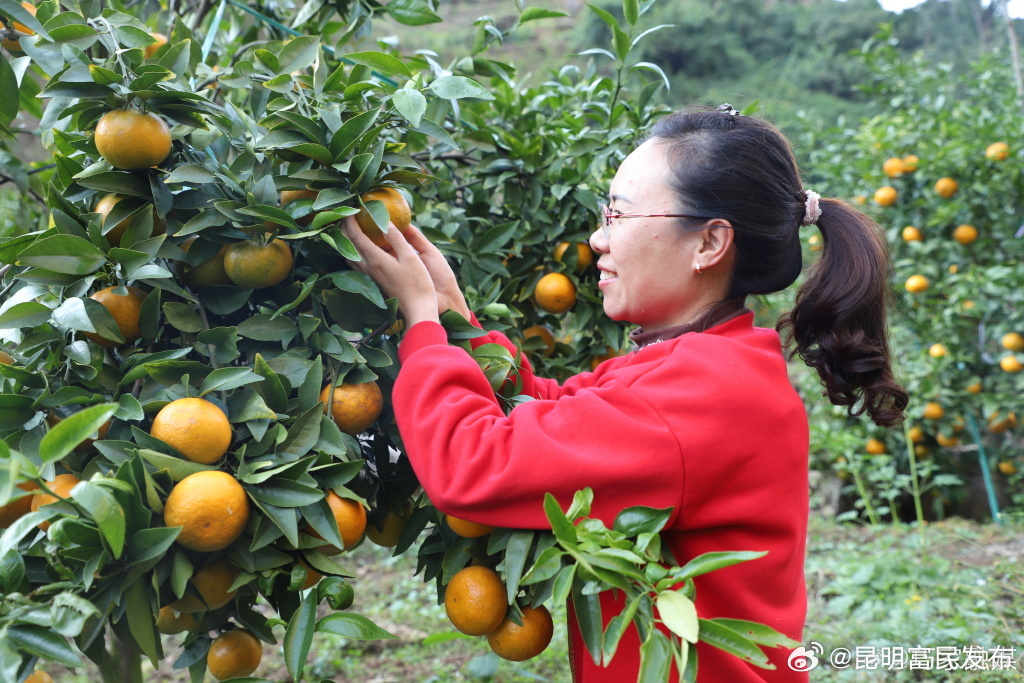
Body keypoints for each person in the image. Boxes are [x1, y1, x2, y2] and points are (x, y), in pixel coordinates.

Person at [340, 104, 908, 682]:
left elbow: (474, 464)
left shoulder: (703, 395)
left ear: (709, 242)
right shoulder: (704, 363)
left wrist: (421, 325)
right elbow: (550, 406)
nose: (598, 238)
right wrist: (457, 318)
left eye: (618, 216)